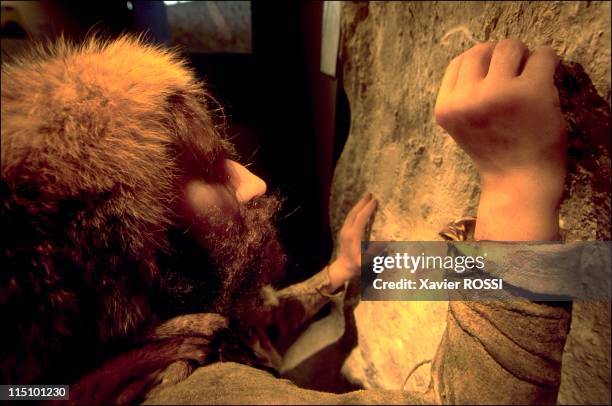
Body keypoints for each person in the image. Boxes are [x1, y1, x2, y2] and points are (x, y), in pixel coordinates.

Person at [1, 35, 570, 404]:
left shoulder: (60, 376)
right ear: (118, 249)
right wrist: (518, 185)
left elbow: (234, 331)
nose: (253, 184)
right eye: (206, 168)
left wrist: (336, 275)